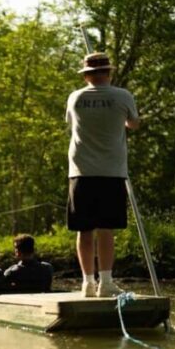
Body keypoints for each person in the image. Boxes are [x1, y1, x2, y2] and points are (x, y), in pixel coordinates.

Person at [65, 52, 140, 298]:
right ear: (109, 73)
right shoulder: (123, 96)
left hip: (81, 171)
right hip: (111, 171)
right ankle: (105, 282)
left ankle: (87, 282)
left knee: (84, 229)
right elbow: (134, 124)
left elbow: (71, 123)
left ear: (86, 76)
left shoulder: (75, 98)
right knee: (106, 229)